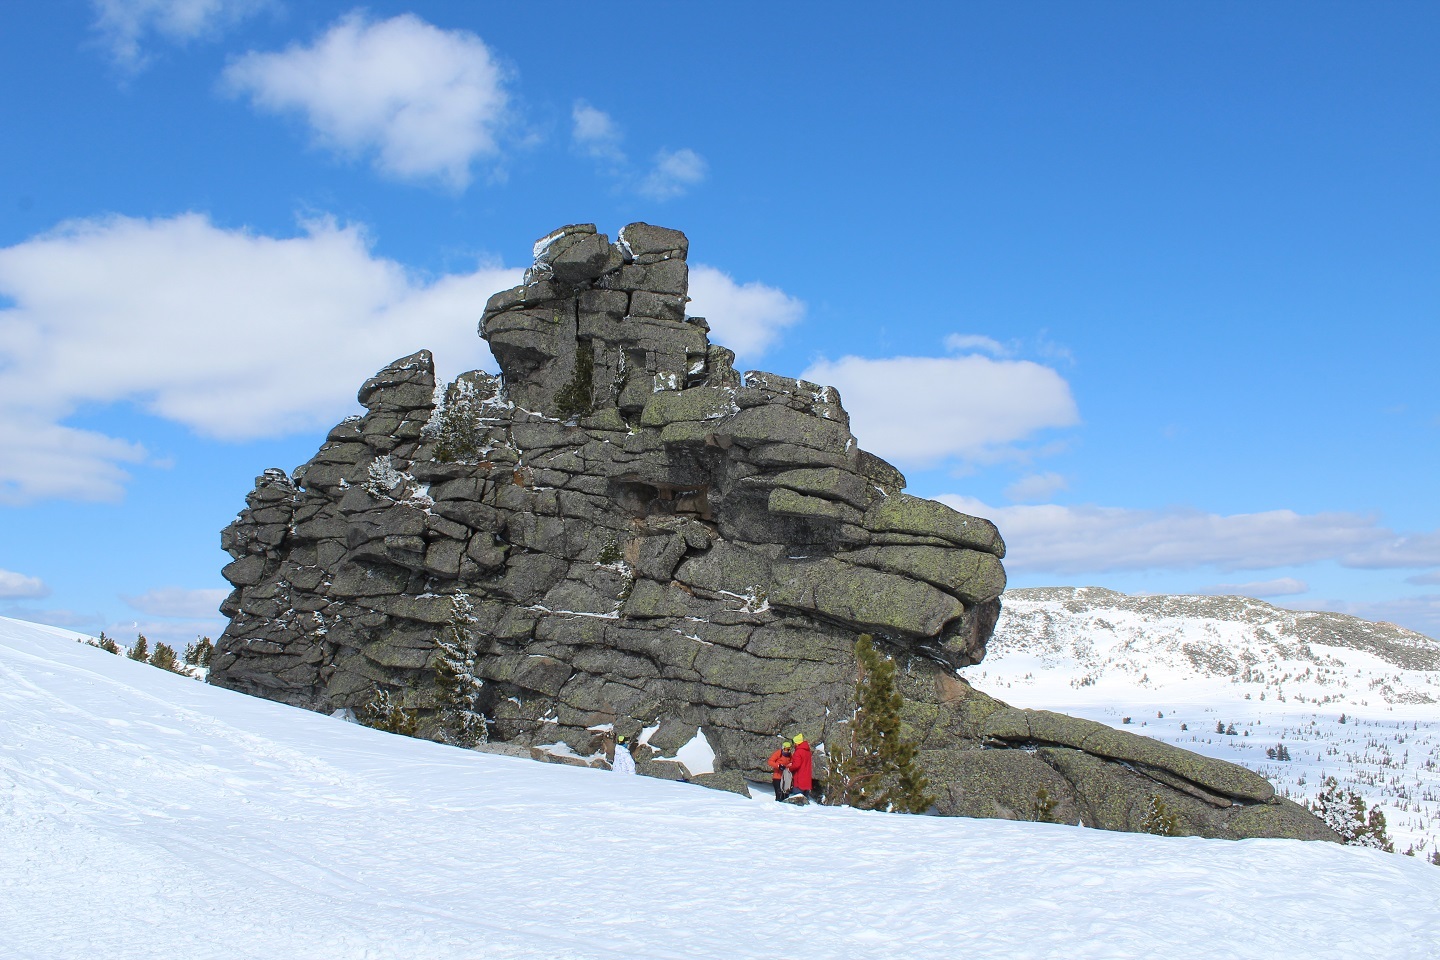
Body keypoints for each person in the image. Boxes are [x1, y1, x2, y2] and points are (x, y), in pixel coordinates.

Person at [787, 733, 813, 800]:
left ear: (797, 743)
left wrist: (789, 767)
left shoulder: (798, 752)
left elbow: (796, 765)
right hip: (807, 781)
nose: (794, 745)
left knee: (797, 802)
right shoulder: (808, 751)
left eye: (794, 743)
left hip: (799, 781)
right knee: (805, 802)